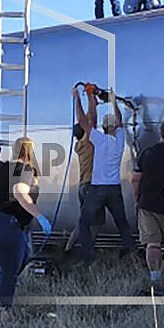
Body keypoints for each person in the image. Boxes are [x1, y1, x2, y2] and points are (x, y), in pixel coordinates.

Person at [0, 137, 52, 309]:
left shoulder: (1, 168)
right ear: (29, 152)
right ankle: (5, 312)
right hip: (6, 221)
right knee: (11, 268)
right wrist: (40, 217)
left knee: (22, 258)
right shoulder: (26, 169)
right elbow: (19, 193)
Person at [75, 88, 136, 261]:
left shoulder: (99, 139)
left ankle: (87, 257)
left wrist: (77, 97)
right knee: (122, 222)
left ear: (102, 127)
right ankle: (131, 253)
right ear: (115, 127)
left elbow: (82, 121)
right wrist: (113, 101)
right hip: (115, 189)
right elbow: (121, 122)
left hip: (98, 189)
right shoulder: (119, 140)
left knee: (84, 222)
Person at [132, 120, 164, 293]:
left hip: (149, 204)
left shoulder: (148, 153)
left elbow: (136, 179)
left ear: (161, 134)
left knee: (152, 243)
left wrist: (137, 199)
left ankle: (154, 277)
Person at [65, 87, 105, 253]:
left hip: (85, 186)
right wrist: (84, 96)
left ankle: (71, 248)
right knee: (90, 222)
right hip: (91, 187)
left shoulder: (80, 145)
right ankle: (80, 250)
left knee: (91, 221)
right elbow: (89, 120)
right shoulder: (88, 142)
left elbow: (89, 120)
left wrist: (92, 101)